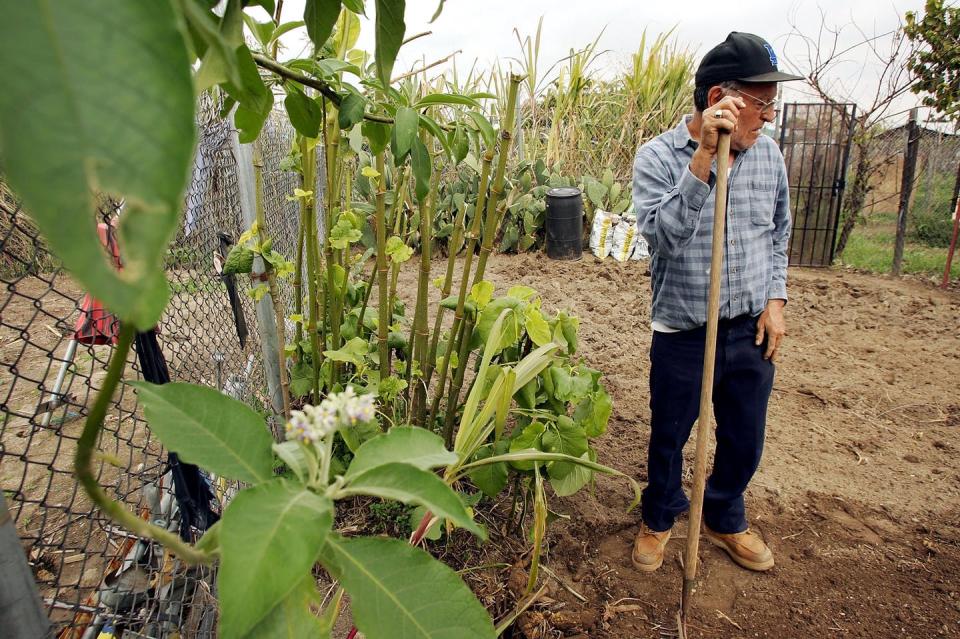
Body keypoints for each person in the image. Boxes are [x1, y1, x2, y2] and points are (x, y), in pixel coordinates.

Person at [630, 32, 799, 573]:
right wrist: (703, 157)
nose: (768, 117)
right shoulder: (657, 158)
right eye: (760, 103)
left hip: (750, 326)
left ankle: (723, 516)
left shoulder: (769, 156)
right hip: (683, 329)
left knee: (746, 439)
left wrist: (776, 298)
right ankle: (659, 518)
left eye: (773, 103)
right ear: (718, 101)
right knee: (669, 438)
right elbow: (663, 237)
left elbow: (778, 233)